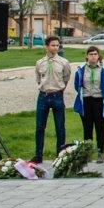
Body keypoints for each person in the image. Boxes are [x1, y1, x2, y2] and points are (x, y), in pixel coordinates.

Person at [72, 46, 104, 162]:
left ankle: (100, 152)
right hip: (86, 101)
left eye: (95, 54)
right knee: (87, 128)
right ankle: (88, 153)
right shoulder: (81, 69)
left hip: (99, 100)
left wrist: (103, 93)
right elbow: (77, 85)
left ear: (98, 56)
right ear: (86, 56)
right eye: (90, 54)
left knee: (100, 128)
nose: (93, 56)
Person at [33, 35, 72, 164]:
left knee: (60, 127)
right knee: (40, 127)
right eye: (53, 45)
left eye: (57, 45)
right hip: (43, 96)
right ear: (47, 46)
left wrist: (59, 90)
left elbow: (66, 78)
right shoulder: (40, 63)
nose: (55, 48)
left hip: (57, 96)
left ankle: (60, 155)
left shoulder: (64, 62)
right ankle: (38, 155)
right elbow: (38, 78)